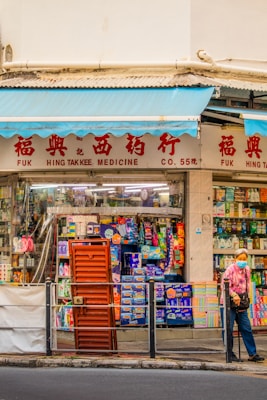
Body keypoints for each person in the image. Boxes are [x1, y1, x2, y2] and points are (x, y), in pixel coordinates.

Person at [220, 248, 264, 362]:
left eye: (245, 259)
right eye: (240, 259)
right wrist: (234, 295)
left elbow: (247, 284)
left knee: (246, 328)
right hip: (229, 302)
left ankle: (252, 353)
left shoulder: (247, 270)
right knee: (228, 329)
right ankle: (230, 353)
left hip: (241, 303)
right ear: (235, 259)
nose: (243, 261)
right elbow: (224, 285)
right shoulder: (230, 270)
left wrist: (246, 297)